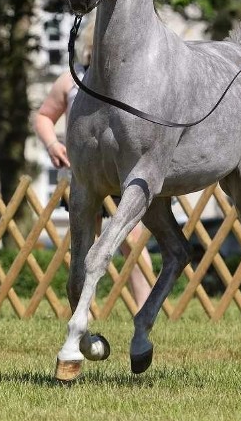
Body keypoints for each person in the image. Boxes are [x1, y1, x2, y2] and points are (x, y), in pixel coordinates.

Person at [34, 20, 153, 310]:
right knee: (84, 240)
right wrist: (52, 144)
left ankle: (145, 305)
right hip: (84, 174)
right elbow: (43, 116)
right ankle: (83, 309)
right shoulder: (70, 81)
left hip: (120, 172)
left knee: (131, 237)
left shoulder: (127, 83)